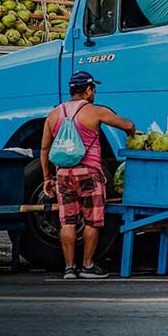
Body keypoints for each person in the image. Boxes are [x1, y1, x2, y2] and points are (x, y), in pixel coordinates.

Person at [40, 71, 136, 280]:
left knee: (68, 222)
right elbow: (127, 125)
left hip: (63, 175)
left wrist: (48, 178)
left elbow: (45, 150)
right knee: (92, 221)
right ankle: (87, 266)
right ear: (89, 90)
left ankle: (68, 269)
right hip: (89, 174)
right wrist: (132, 133)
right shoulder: (94, 111)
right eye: (94, 89)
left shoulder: (54, 114)